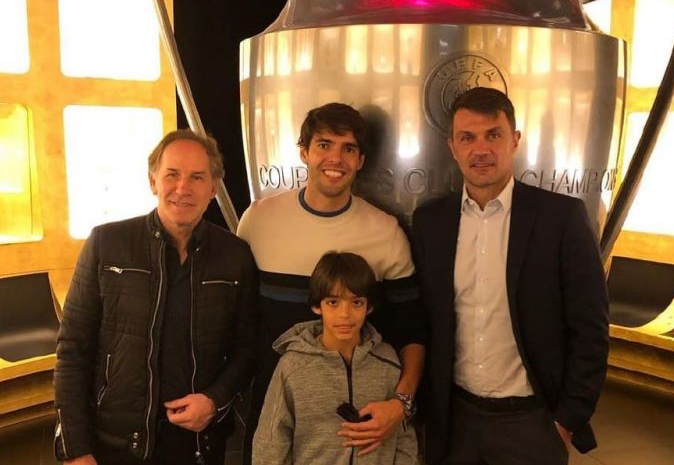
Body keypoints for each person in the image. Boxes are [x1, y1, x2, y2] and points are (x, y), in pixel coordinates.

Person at [412, 87, 609, 464]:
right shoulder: (430, 222)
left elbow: (590, 327)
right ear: (452, 147)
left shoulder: (560, 219)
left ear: (514, 140)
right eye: (467, 138)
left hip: (532, 423)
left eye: (493, 135)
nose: (480, 149)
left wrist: (568, 418)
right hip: (455, 422)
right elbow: (424, 319)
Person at [53, 130, 257, 465]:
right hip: (115, 445)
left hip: (198, 444)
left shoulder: (235, 255)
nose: (183, 188)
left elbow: (246, 347)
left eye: (197, 177)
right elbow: (73, 349)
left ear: (213, 187)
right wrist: (76, 448)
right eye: (172, 175)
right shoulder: (107, 244)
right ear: (153, 181)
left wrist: (214, 400)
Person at [237, 103, 425, 462]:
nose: (336, 158)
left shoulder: (385, 232)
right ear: (304, 152)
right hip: (274, 418)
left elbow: (412, 332)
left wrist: (401, 403)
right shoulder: (258, 221)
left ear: (361, 160)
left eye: (348, 148)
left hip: (360, 433)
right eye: (324, 144)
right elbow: (236, 320)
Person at [252, 251, 418, 464]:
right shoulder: (292, 367)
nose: (344, 314)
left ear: (369, 307)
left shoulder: (387, 362)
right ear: (316, 305)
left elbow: (404, 437)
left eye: (356, 303)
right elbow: (270, 443)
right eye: (333, 302)